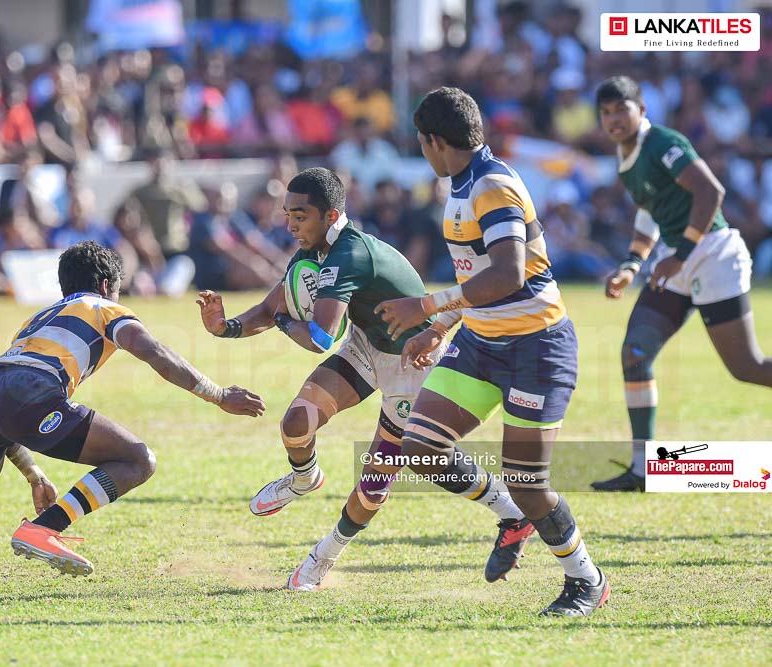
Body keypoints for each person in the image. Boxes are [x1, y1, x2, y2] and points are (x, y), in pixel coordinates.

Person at [197, 167, 531, 592]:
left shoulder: (348, 254)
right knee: (296, 423)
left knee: (380, 481)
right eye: (287, 215)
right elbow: (268, 308)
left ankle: (326, 555)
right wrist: (224, 328)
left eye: (300, 216)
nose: (291, 225)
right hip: (368, 344)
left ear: (331, 215)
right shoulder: (313, 251)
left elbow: (319, 338)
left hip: (412, 364)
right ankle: (304, 477)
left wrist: (282, 322)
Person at [0, 242, 265, 596]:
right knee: (138, 459)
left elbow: (6, 410)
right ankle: (46, 528)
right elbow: (155, 352)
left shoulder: (39, 318)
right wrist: (218, 395)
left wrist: (34, 475)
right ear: (107, 284)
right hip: (30, 389)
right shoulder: (106, 308)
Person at [376, 87, 609, 616]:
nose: (423, 153)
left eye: (422, 144)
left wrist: (426, 306)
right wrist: (440, 327)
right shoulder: (463, 182)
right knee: (420, 446)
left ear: (435, 141)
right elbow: (476, 273)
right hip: (481, 343)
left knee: (530, 482)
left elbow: (507, 275)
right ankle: (512, 515)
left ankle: (586, 579)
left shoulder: (492, 185)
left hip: (536, 349)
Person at [591, 76, 772, 492]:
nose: (614, 119)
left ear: (642, 110)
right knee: (635, 353)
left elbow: (711, 192)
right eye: (606, 113)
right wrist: (631, 264)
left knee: (746, 367)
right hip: (678, 260)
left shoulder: (661, 142)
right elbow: (648, 216)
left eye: (621, 109)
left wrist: (682, 254)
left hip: (713, 254)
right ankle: (643, 470)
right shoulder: (625, 155)